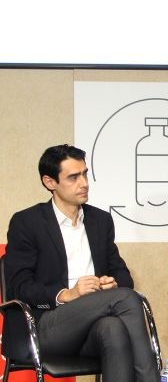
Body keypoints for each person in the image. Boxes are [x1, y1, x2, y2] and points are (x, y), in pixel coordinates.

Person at [3, 144, 159, 381]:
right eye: (73, 177)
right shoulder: (27, 222)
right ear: (50, 182)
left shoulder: (100, 221)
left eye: (85, 174)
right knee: (128, 298)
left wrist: (112, 283)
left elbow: (122, 274)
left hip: (92, 327)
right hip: (44, 326)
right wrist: (66, 294)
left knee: (113, 329)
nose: (84, 183)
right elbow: (19, 286)